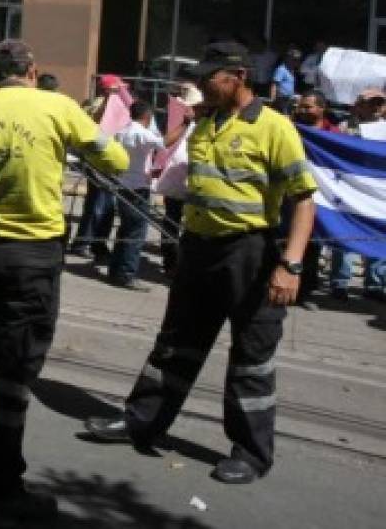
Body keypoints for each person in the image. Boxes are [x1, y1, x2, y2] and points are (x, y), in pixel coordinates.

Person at [85, 40, 317, 485]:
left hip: (250, 253)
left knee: (251, 357)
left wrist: (291, 265)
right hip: (198, 249)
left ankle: (251, 453)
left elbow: (304, 201)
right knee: (174, 343)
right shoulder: (206, 122)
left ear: (239, 77)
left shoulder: (274, 128)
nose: (201, 88)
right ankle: (141, 421)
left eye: (210, 79)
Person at [0, 40, 128, 520]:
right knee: (14, 377)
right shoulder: (58, 109)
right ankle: (3, 487)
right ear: (33, 72)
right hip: (33, 260)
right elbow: (116, 161)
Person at [332, 88, 386, 302]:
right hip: (351, 189)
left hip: (377, 193)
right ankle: (340, 282)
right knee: (346, 234)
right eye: (370, 103)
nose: (375, 107)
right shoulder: (345, 128)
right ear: (358, 105)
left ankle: (374, 283)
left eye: (379, 103)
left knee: (377, 235)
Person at [108, 100, 165, 290]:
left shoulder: (122, 132)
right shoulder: (141, 133)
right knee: (136, 233)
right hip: (137, 189)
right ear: (147, 117)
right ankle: (126, 274)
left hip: (125, 184)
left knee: (125, 229)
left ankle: (115, 269)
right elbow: (163, 143)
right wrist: (185, 124)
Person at [68, 74, 124, 260]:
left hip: (110, 160)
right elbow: (95, 123)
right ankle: (83, 242)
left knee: (107, 205)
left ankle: (98, 243)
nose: (122, 91)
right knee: (97, 203)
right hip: (98, 161)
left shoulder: (117, 104)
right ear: (108, 89)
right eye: (117, 88)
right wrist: (109, 100)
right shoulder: (97, 103)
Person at [290, 92, 337, 309]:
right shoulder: (289, 128)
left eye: (308, 107)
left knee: (312, 248)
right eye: (301, 106)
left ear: (322, 108)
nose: (302, 110)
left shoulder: (335, 135)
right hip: (289, 195)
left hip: (320, 200)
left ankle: (305, 292)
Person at [153, 82, 205, 275]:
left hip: (193, 179)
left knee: (186, 223)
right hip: (178, 177)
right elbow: (166, 144)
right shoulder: (181, 122)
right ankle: (171, 260)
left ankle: (180, 261)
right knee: (173, 220)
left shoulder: (205, 123)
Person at [268, 47, 301, 112]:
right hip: (281, 99)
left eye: (297, 59)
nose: (296, 61)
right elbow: (274, 84)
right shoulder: (281, 69)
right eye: (294, 59)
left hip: (289, 99)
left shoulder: (292, 71)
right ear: (288, 58)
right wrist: (272, 99)